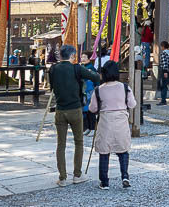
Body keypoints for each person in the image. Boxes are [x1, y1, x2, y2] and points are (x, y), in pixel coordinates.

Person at [49, 44, 100, 187]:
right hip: (75, 108)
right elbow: (95, 77)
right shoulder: (77, 68)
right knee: (79, 141)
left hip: (60, 109)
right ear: (72, 56)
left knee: (61, 144)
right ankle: (77, 174)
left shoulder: (53, 69)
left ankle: (62, 177)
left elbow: (52, 87)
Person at [88, 61, 136, 190]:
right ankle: (125, 176)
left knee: (104, 151)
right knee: (123, 150)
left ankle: (104, 182)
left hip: (105, 122)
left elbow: (92, 108)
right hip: (121, 121)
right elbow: (132, 104)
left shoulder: (99, 90)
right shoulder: (125, 87)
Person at [80, 52, 97, 134]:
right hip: (84, 91)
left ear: (89, 58)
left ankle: (92, 128)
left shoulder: (91, 68)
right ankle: (87, 127)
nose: (82, 59)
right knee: (85, 110)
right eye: (82, 57)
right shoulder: (82, 67)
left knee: (90, 109)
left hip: (89, 91)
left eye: (84, 57)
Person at [157, 41, 169, 105]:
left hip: (165, 70)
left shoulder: (164, 53)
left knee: (164, 86)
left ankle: (163, 100)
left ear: (163, 46)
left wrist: (165, 71)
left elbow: (164, 62)